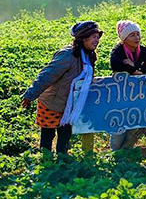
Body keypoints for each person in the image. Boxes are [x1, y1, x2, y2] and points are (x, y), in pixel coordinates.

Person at [20, 21, 103, 155]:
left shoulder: (89, 55)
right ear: (84, 38)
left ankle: (62, 160)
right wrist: (30, 95)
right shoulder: (67, 55)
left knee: (65, 134)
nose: (97, 40)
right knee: (48, 134)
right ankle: (46, 162)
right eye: (93, 36)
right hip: (52, 103)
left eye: (97, 37)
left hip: (69, 105)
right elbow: (47, 76)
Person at [109, 20, 146, 151]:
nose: (137, 38)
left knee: (134, 125)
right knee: (119, 126)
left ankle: (125, 152)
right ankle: (115, 153)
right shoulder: (118, 51)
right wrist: (136, 71)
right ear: (124, 38)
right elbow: (116, 64)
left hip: (141, 95)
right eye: (132, 35)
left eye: (138, 34)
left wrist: (131, 67)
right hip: (122, 96)